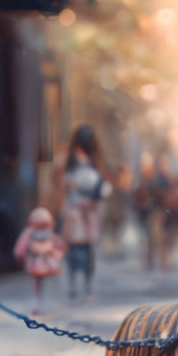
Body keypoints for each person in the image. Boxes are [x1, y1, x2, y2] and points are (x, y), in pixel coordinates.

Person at [59, 125, 111, 298]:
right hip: (75, 211)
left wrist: (94, 199)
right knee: (74, 248)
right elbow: (68, 184)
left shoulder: (95, 161)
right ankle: (74, 284)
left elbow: (103, 186)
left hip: (90, 211)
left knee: (88, 250)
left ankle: (86, 285)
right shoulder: (72, 161)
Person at [14, 207, 66, 314]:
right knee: (48, 285)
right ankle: (46, 305)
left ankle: (36, 305)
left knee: (35, 285)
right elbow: (60, 248)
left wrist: (20, 257)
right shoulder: (51, 235)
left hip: (34, 265)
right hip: (49, 266)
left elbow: (20, 250)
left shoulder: (28, 234)